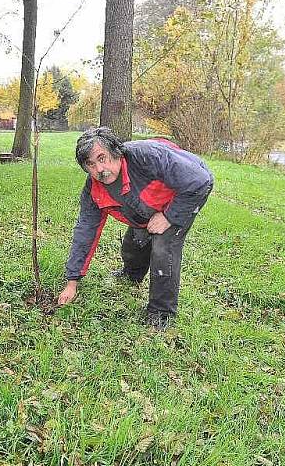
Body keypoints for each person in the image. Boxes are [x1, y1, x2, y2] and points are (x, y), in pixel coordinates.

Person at [57, 127, 214, 330]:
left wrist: (169, 216)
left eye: (102, 158)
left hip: (183, 196)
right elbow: (85, 231)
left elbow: (200, 181)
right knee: (133, 245)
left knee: (163, 249)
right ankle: (132, 275)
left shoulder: (148, 156)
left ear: (116, 151)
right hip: (142, 210)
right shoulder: (93, 190)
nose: (99, 169)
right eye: (91, 164)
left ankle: (161, 313)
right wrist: (72, 281)